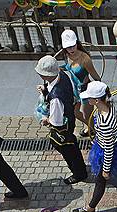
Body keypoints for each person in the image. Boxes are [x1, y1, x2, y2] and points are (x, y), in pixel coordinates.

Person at [73, 81, 117, 212]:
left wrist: (106, 169)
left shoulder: (105, 122)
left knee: (100, 181)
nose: (87, 99)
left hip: (107, 151)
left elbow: (109, 148)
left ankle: (90, 207)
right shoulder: (108, 107)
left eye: (89, 97)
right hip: (113, 144)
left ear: (97, 99)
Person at [35, 55, 89, 185]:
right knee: (73, 148)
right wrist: (45, 91)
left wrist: (45, 119)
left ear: (45, 75)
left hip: (63, 128)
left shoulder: (56, 99)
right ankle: (80, 169)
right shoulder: (62, 75)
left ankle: (78, 174)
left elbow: (56, 121)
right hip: (69, 117)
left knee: (69, 151)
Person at [59, 29, 101, 132]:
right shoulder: (67, 56)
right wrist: (59, 68)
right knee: (75, 112)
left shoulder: (85, 59)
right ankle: (92, 127)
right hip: (75, 90)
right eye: (68, 47)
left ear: (77, 43)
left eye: (73, 45)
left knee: (87, 114)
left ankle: (93, 132)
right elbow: (68, 66)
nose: (71, 49)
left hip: (85, 89)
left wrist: (102, 91)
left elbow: (96, 76)